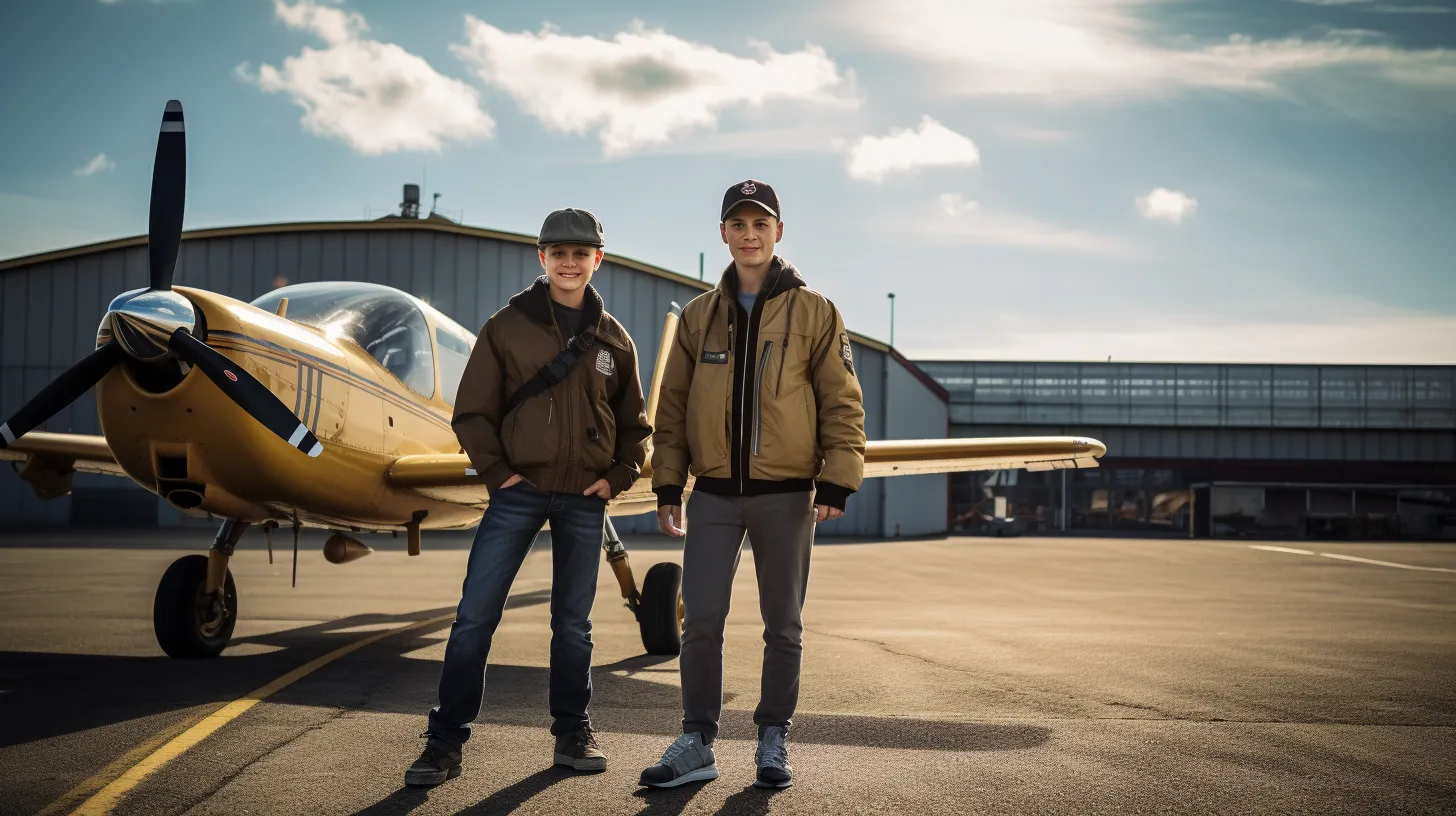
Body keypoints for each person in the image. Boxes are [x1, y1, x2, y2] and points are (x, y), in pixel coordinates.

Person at [405, 208, 651, 786]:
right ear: (542, 259)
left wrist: (614, 479)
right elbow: (473, 412)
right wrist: (499, 474)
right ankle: (444, 742)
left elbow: (635, 429)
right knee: (474, 617)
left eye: (580, 253)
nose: (569, 262)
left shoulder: (614, 339)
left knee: (573, 624)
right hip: (519, 494)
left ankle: (572, 731)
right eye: (558, 253)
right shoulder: (506, 326)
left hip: (584, 500)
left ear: (598, 259)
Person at [639, 180, 866, 790]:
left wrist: (837, 481)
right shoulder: (697, 317)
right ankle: (697, 740)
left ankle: (772, 736)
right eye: (738, 224)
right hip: (713, 493)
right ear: (723, 234)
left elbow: (842, 402)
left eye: (760, 223)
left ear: (779, 232)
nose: (749, 234)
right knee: (702, 618)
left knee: (782, 623)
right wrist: (667, 485)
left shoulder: (816, 312)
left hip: (787, 494)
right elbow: (673, 408)